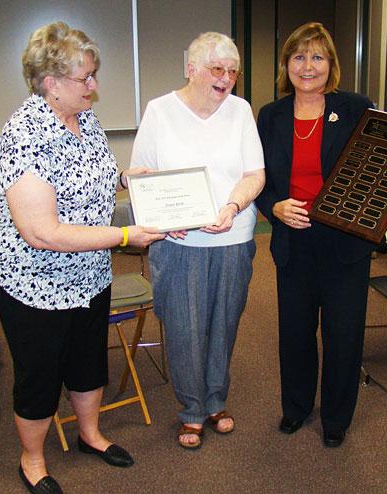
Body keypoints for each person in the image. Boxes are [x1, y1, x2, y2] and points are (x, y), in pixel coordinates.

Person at [0, 22, 165, 494]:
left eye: (94, 75)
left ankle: (90, 435)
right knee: (39, 375)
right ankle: (33, 461)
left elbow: (88, 174)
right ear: (51, 83)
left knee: (87, 362)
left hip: (89, 273)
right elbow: (43, 232)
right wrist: (125, 234)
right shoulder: (25, 135)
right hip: (33, 281)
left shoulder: (83, 118)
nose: (94, 87)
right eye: (86, 78)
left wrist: (125, 177)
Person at [255, 22, 387, 448]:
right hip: (294, 237)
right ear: (286, 64)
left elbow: (382, 166)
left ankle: (337, 417)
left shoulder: (358, 107)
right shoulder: (270, 115)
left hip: (345, 241)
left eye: (318, 57)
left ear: (331, 65)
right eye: (299, 57)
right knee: (296, 331)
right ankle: (296, 408)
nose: (308, 66)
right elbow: (258, 177)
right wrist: (272, 206)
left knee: (344, 334)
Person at [129, 32, 265, 450]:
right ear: (191, 68)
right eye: (216, 69)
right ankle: (191, 409)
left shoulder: (240, 111)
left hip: (233, 236)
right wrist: (158, 213)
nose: (226, 79)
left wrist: (232, 207)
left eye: (232, 72)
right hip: (178, 243)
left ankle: (215, 402)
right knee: (185, 328)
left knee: (223, 325)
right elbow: (136, 176)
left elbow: (254, 176)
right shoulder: (160, 111)